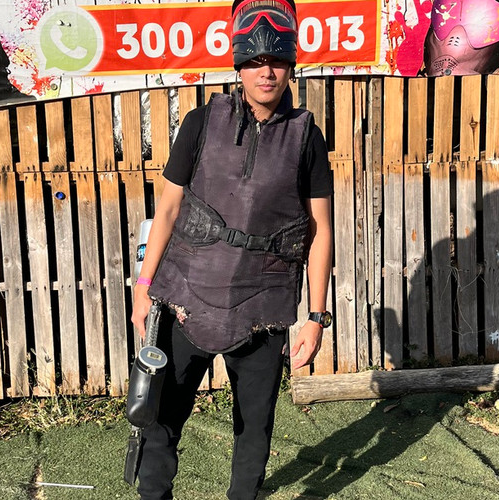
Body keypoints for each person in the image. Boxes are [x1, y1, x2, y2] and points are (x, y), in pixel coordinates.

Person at [129, 0, 333, 498]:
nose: (267, 72)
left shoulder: (307, 137)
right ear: (239, 65)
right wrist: (143, 285)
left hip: (263, 309)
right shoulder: (200, 122)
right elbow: (168, 209)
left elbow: (320, 230)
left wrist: (316, 317)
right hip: (186, 298)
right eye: (256, 61)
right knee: (159, 419)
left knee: (254, 431)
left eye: (277, 60)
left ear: (291, 65)